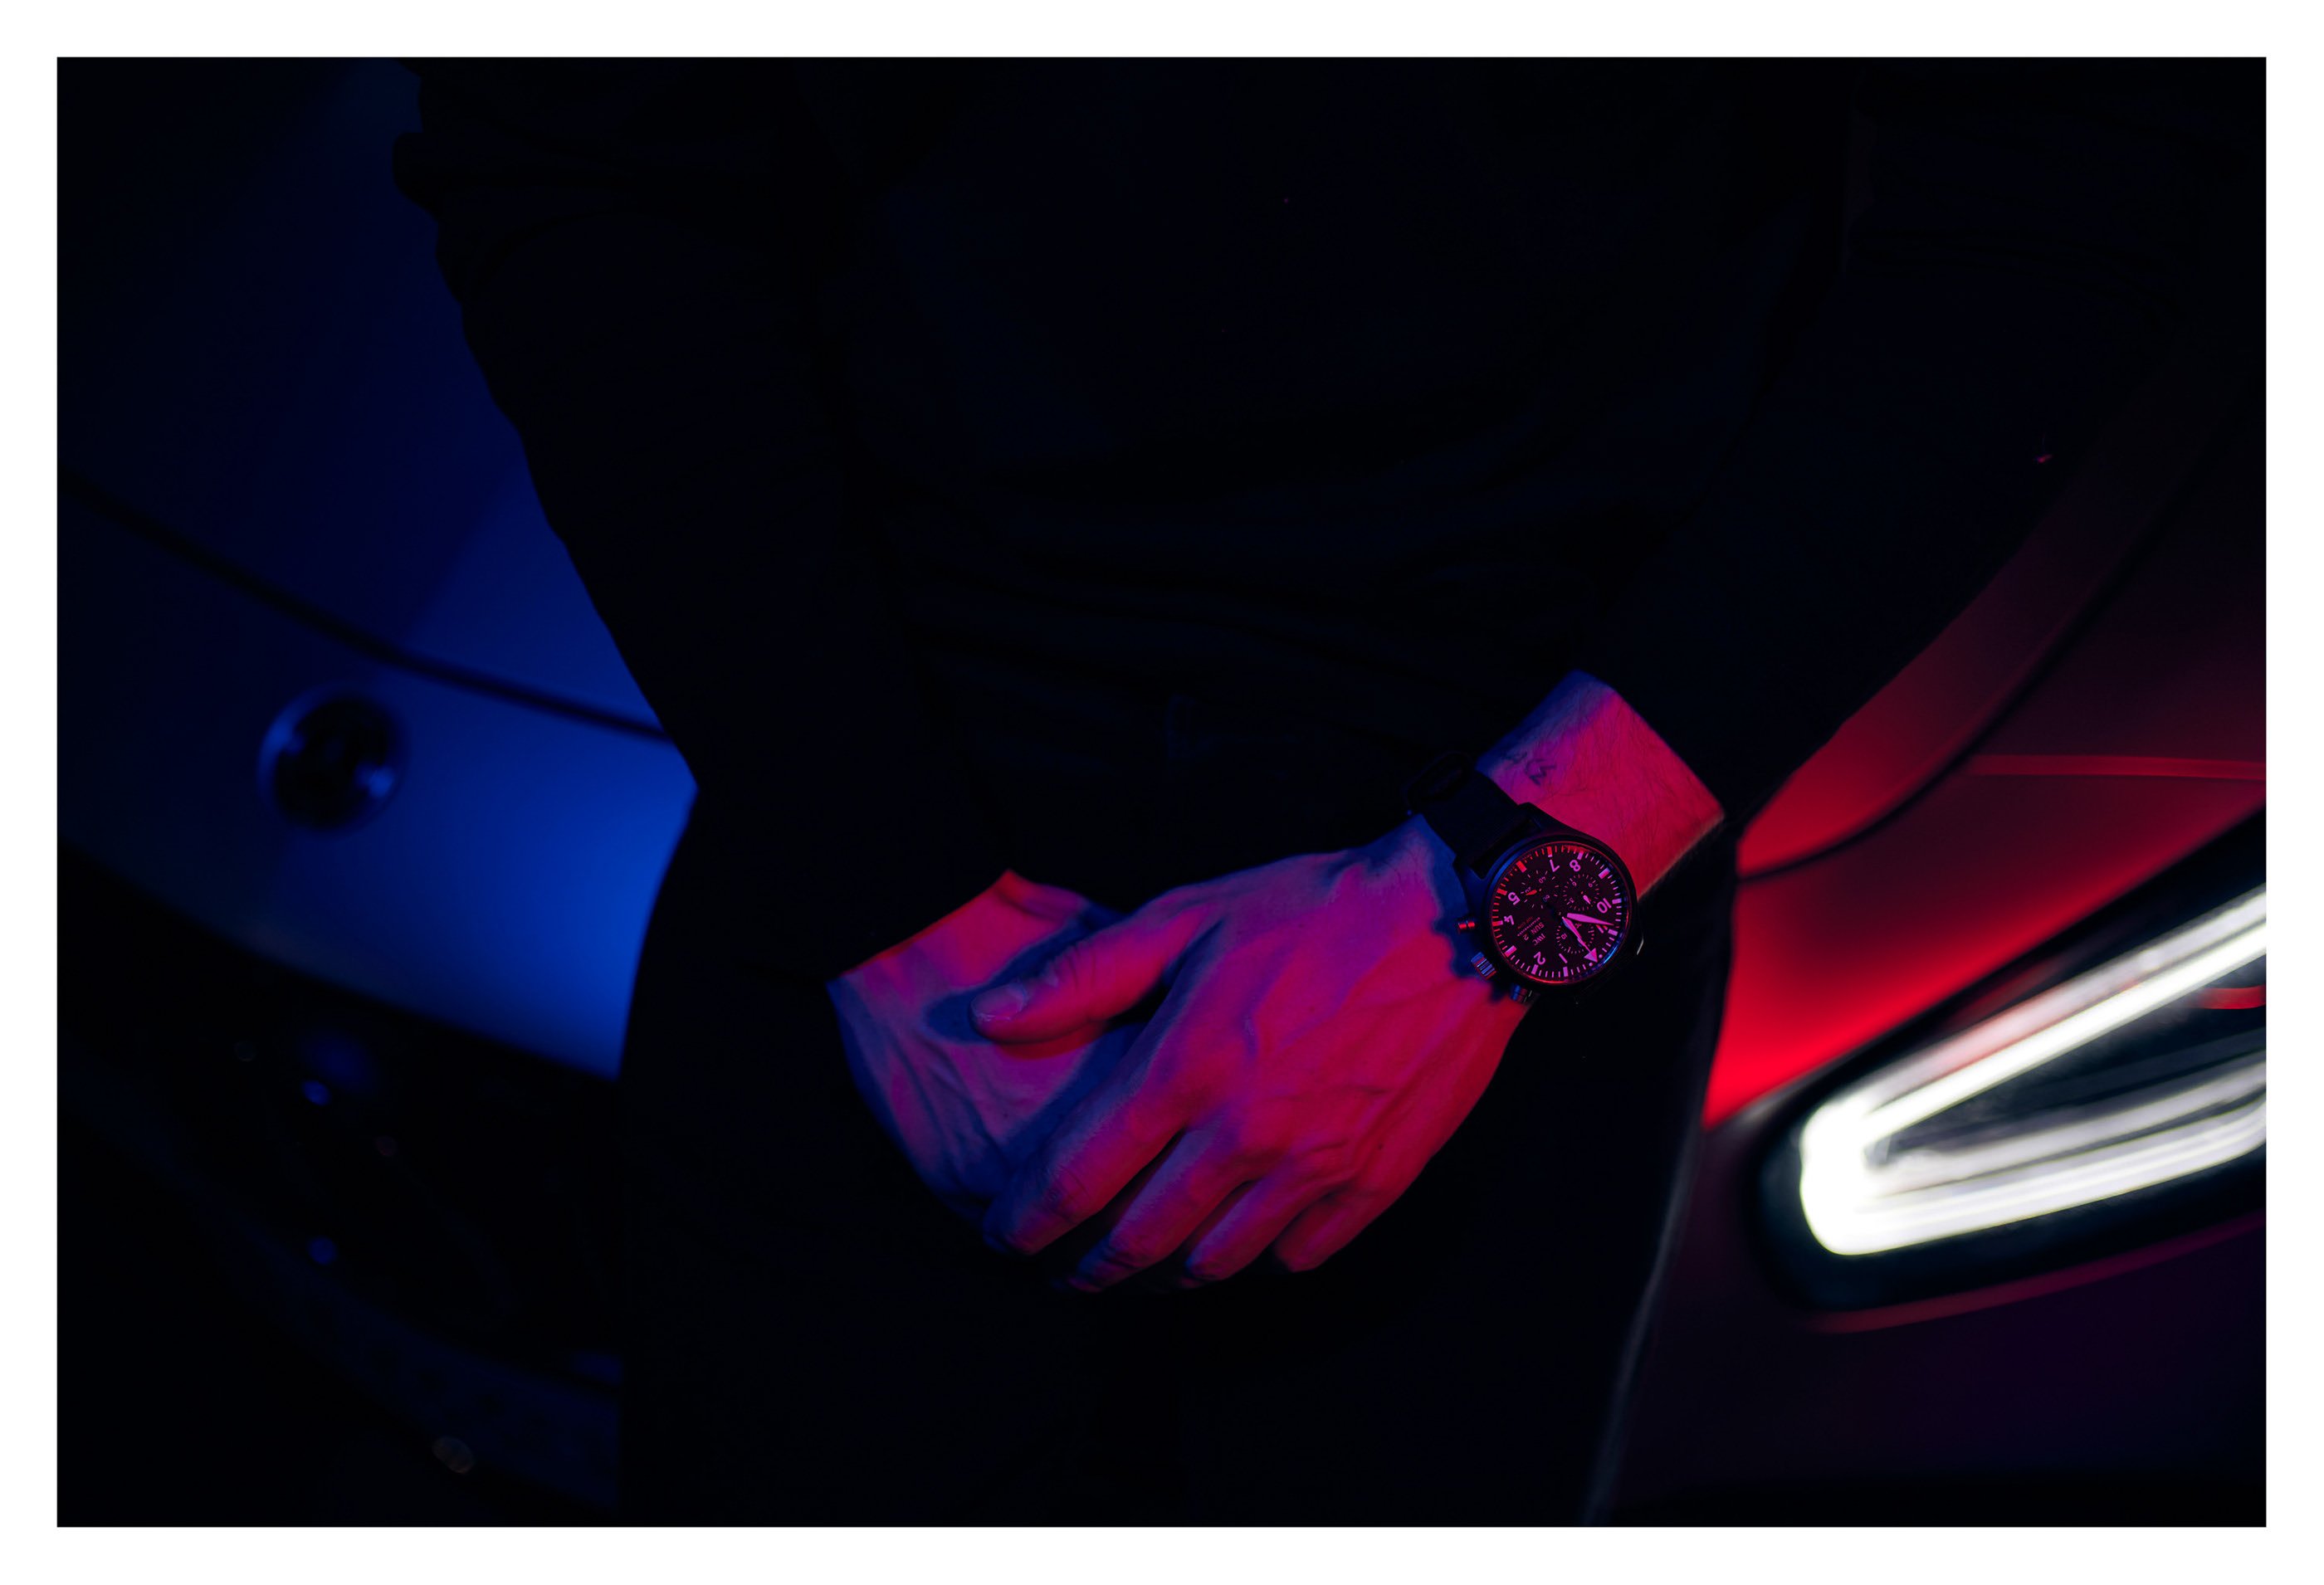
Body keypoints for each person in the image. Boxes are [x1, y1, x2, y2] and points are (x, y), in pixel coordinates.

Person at [393, 58, 2251, 1522]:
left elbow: (2063, 187)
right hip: (897, 827)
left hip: (1506, 842)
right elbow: (565, 143)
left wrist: (1483, 908)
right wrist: (885, 898)